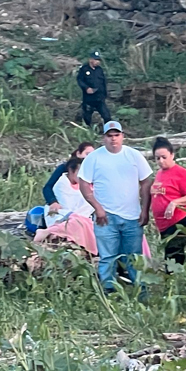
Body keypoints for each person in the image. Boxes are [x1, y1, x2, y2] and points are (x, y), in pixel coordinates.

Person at [77, 121, 153, 294]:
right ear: (104, 138)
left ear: (122, 136)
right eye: (109, 136)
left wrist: (144, 209)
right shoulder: (94, 158)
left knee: (134, 257)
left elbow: (146, 182)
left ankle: (141, 291)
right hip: (106, 216)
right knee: (107, 257)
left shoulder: (134, 156)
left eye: (116, 135)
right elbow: (84, 183)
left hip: (132, 216)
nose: (113, 139)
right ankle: (108, 292)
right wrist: (97, 207)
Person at [150, 137, 186, 266]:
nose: (161, 161)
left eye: (164, 157)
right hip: (163, 224)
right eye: (157, 158)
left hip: (179, 222)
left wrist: (174, 203)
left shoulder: (181, 173)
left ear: (172, 155)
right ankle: (172, 282)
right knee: (169, 255)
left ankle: (174, 282)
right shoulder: (160, 173)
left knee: (173, 255)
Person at [43, 141, 95, 211]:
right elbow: (48, 187)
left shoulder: (92, 169)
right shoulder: (64, 169)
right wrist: (53, 201)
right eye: (87, 154)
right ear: (78, 154)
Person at [75, 52, 109, 128]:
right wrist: (86, 88)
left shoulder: (99, 70)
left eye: (99, 60)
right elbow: (80, 80)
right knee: (87, 118)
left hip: (99, 98)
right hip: (89, 98)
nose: (98, 62)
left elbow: (103, 82)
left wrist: (105, 94)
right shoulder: (84, 69)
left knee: (107, 116)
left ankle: (108, 131)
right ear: (91, 60)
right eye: (96, 60)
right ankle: (88, 132)